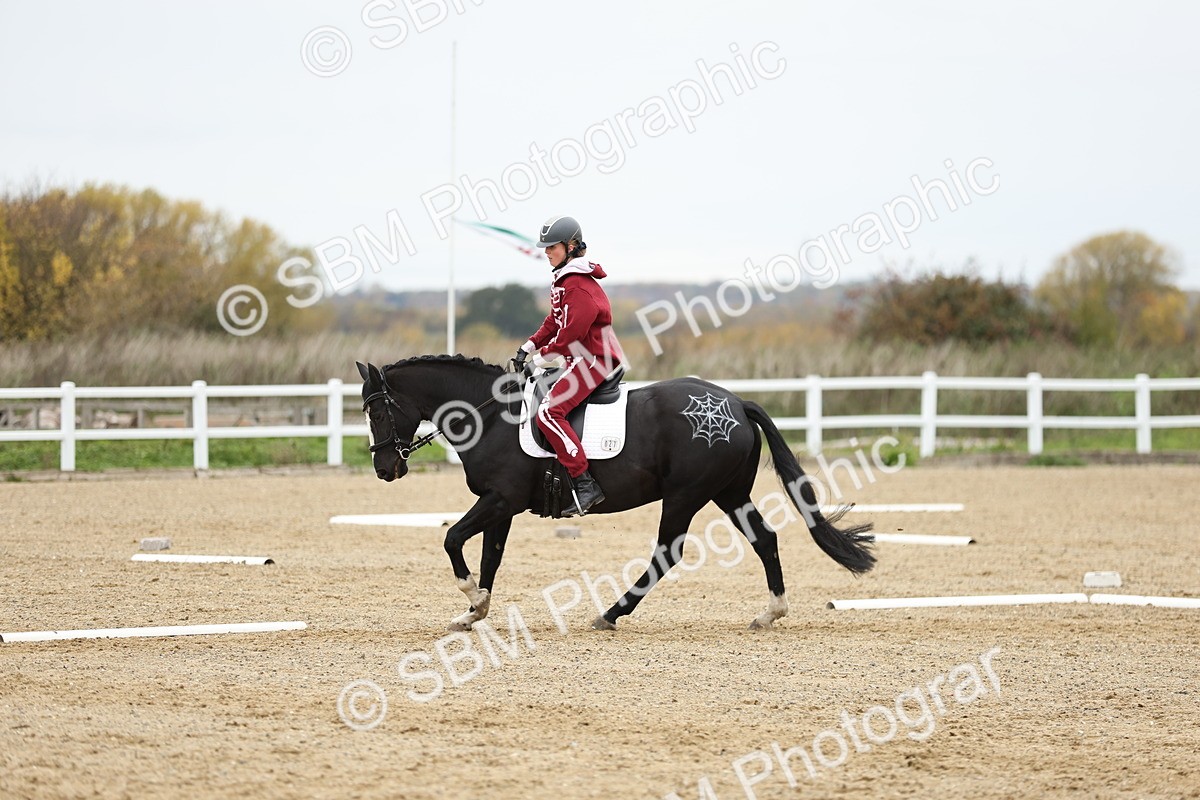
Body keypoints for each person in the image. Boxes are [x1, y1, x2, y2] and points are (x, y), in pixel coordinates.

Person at [513, 215, 623, 516]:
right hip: (579, 357)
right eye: (545, 247)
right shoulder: (565, 279)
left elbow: (571, 334)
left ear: (571, 246)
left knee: (548, 412)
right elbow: (555, 320)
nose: (546, 252)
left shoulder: (577, 284)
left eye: (552, 247)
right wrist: (529, 345)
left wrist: (540, 357)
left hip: (592, 360)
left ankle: (584, 483)